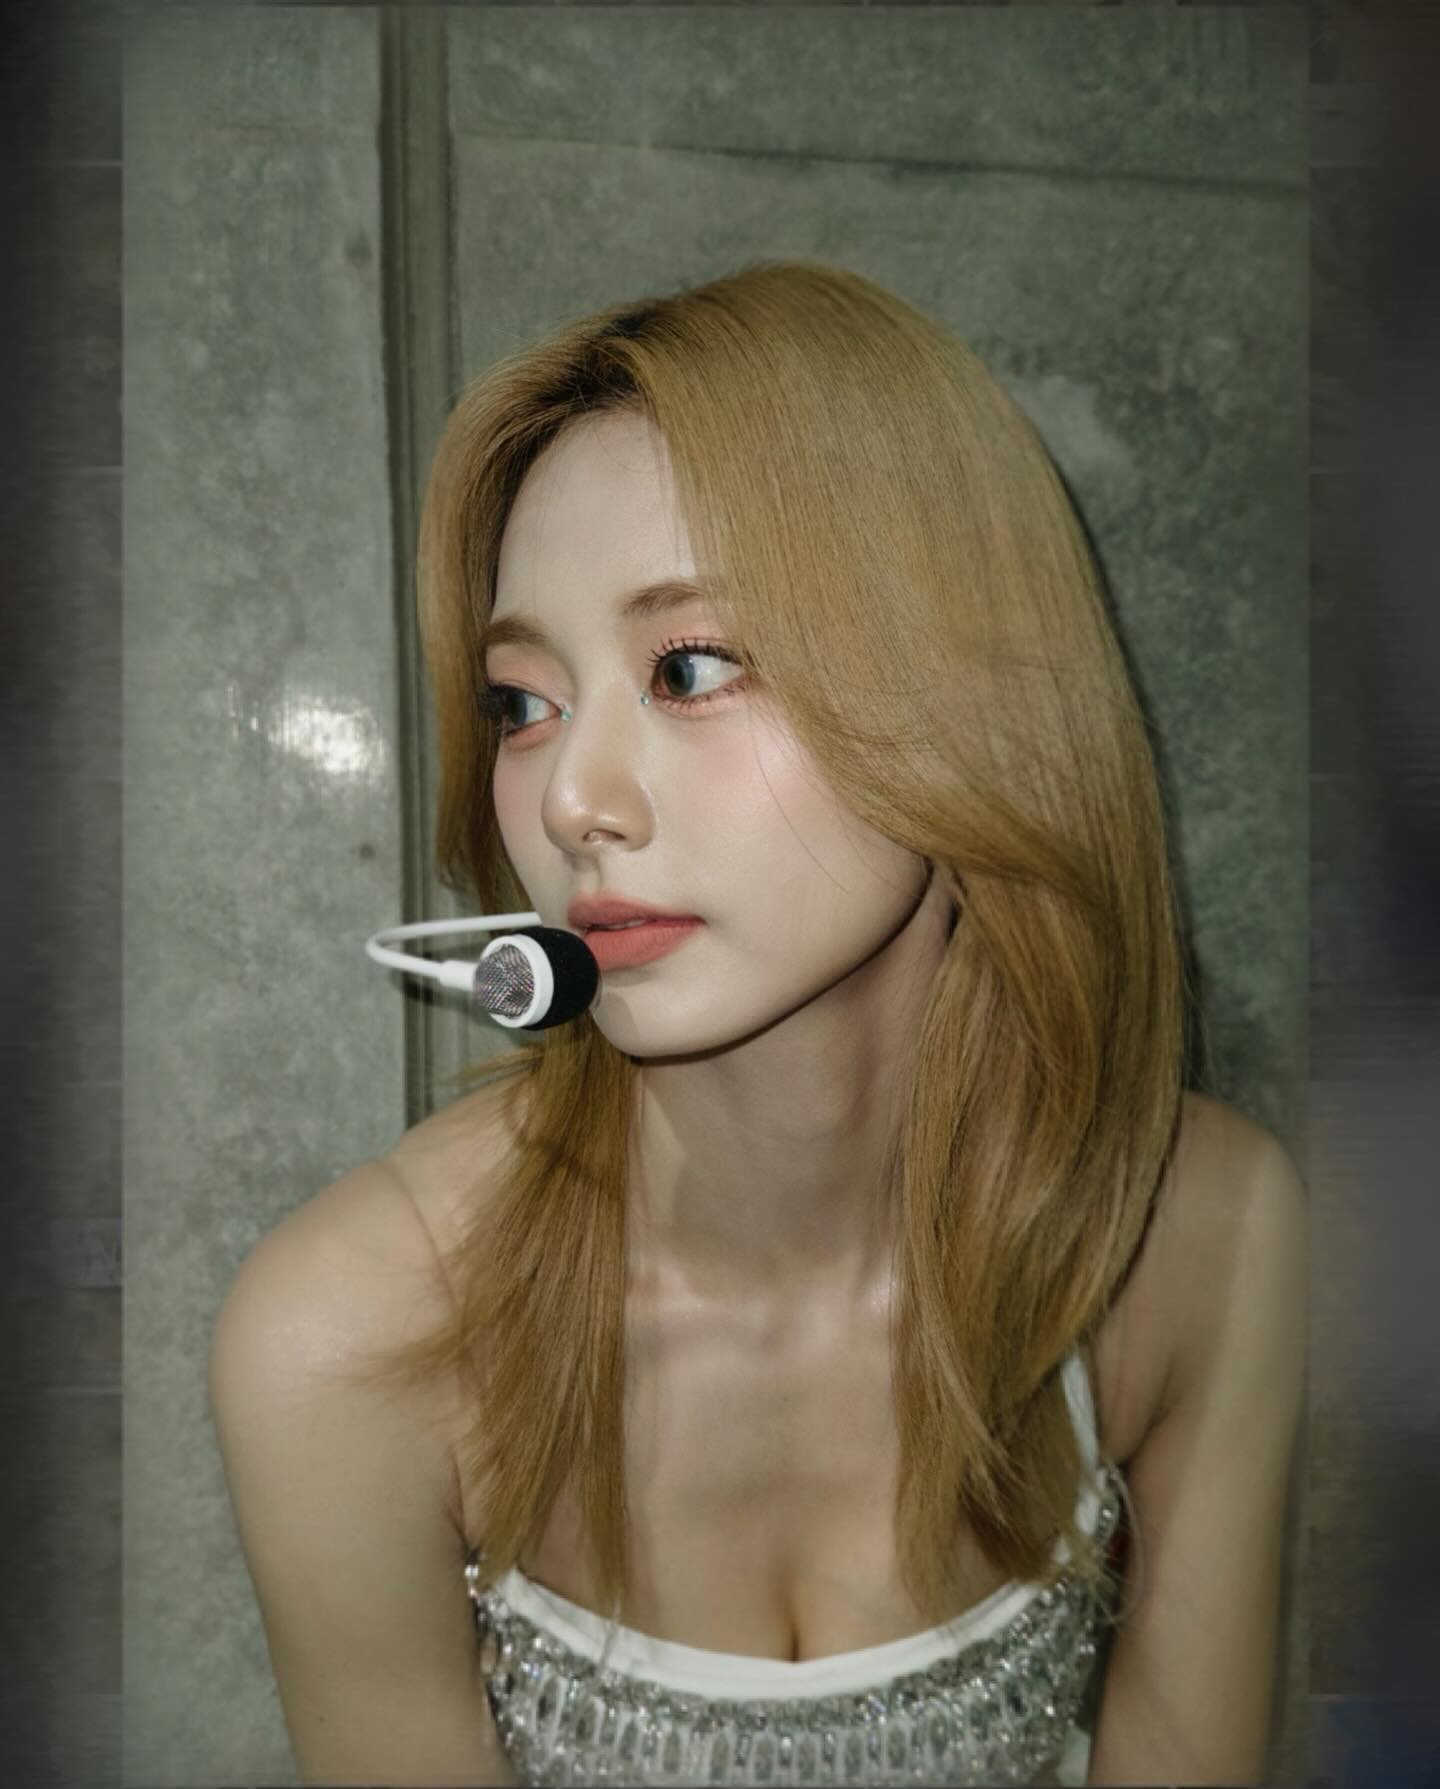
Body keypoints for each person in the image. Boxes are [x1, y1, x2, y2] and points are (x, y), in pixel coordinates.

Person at [209, 261, 1306, 1787]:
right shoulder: (353, 1341)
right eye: (522, 702)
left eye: (692, 668)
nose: (574, 801)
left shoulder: (1204, 1238)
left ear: (971, 696)